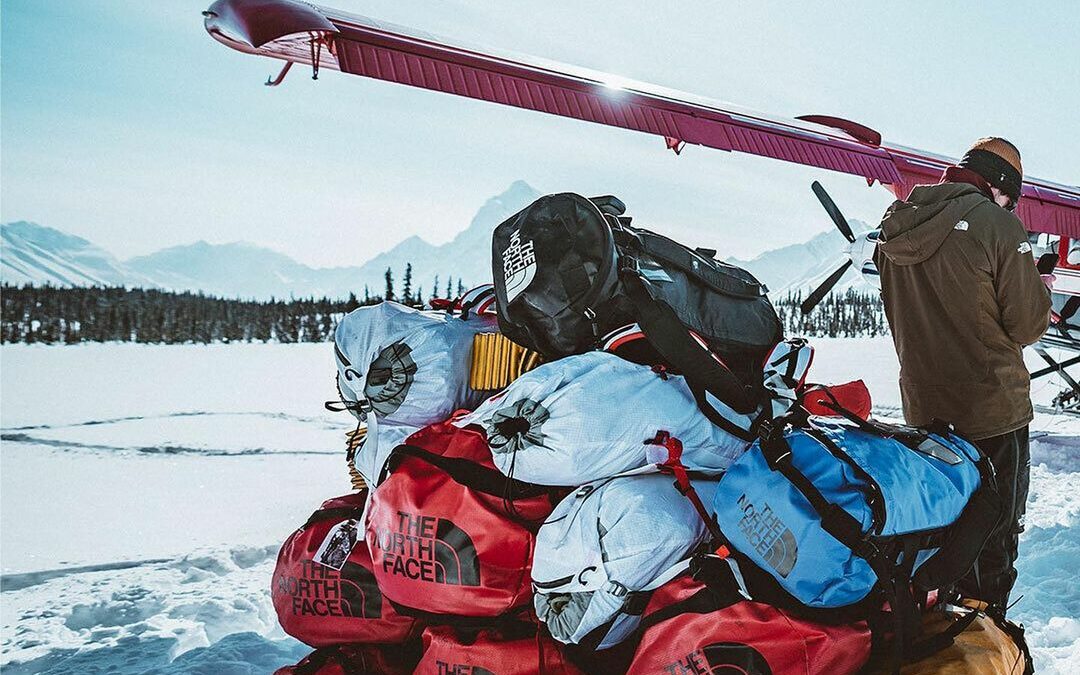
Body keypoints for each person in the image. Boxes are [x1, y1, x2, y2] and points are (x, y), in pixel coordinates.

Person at [873, 137, 1051, 616]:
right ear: (997, 186)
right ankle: (985, 642)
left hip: (925, 415)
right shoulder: (999, 226)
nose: (1010, 207)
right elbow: (1029, 324)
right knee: (993, 539)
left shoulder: (894, 225)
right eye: (1010, 198)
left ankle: (938, 633)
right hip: (993, 413)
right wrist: (1036, 285)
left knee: (940, 535)